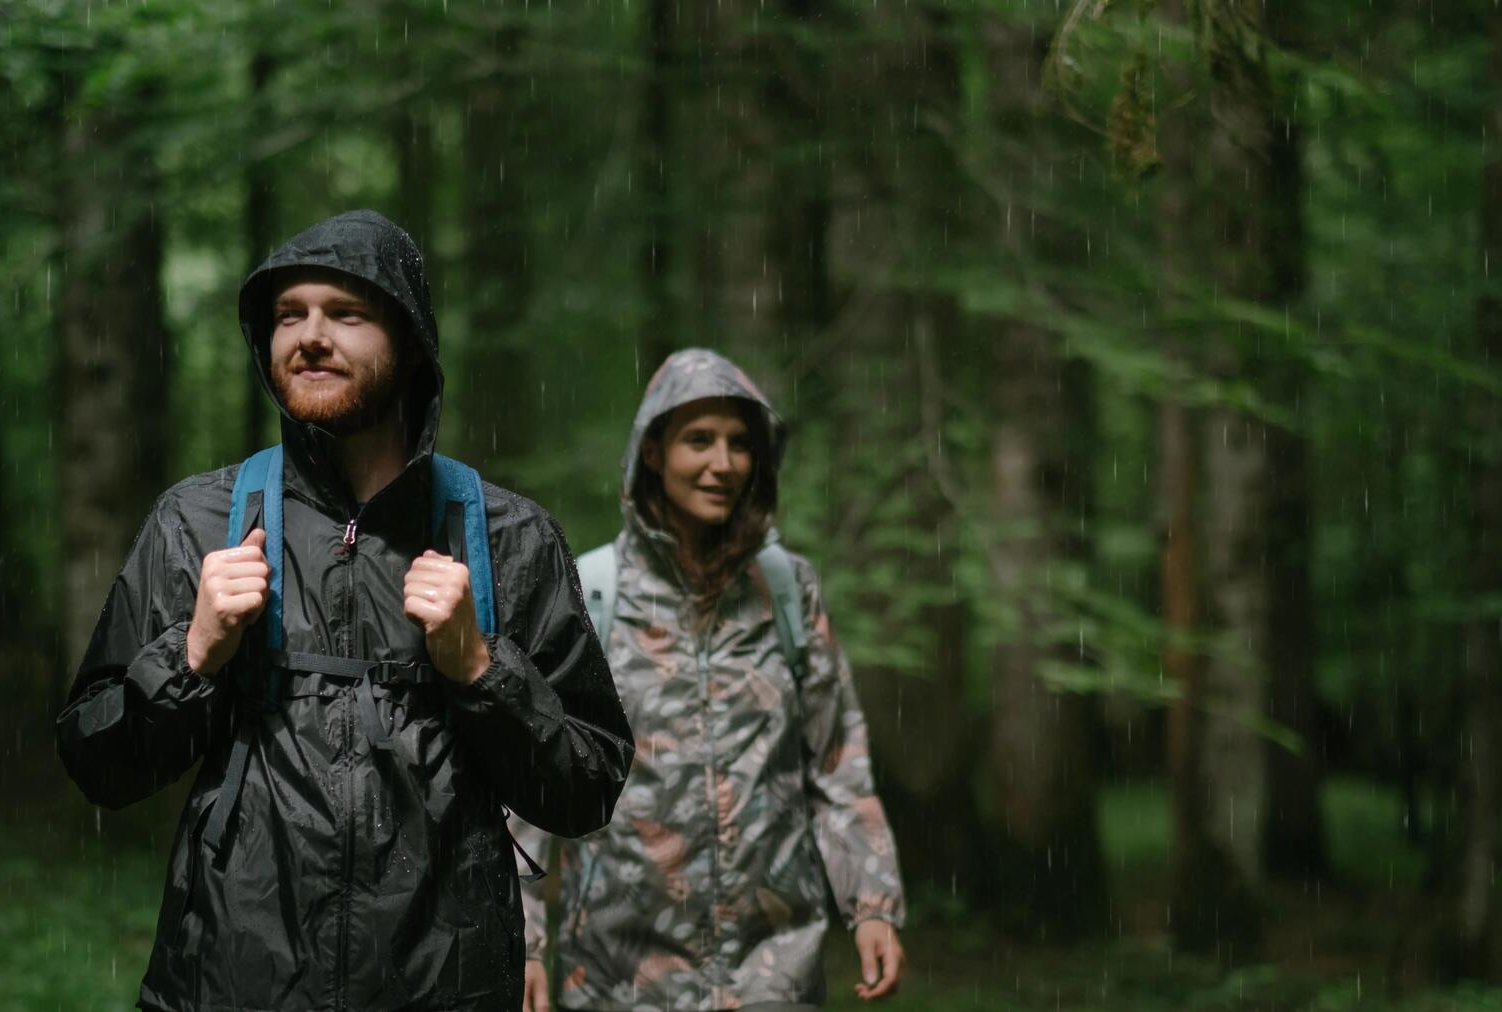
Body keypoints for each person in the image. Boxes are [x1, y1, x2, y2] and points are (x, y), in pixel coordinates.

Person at [57, 209, 634, 1012]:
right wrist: (191, 655)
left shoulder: (509, 536)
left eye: (346, 314)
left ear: (410, 345)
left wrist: (480, 668)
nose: (310, 336)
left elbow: (588, 787)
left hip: (446, 989)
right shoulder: (199, 520)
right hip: (233, 982)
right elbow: (97, 764)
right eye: (288, 317)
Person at [516, 348, 906, 1011]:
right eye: (699, 440)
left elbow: (837, 760)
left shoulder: (788, 591)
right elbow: (534, 778)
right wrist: (522, 940)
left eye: (738, 444)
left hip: (774, 973)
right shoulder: (590, 594)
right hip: (618, 977)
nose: (721, 464)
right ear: (652, 452)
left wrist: (872, 903)